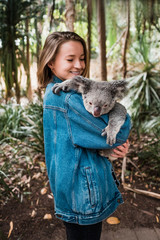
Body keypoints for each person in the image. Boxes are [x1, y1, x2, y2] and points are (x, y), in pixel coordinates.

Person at [37, 31, 131, 240]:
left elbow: (94, 137)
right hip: (83, 193)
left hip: (71, 188)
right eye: (70, 59)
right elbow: (121, 131)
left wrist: (113, 146)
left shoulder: (55, 90)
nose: (79, 65)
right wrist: (119, 134)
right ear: (51, 62)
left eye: (82, 58)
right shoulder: (68, 100)